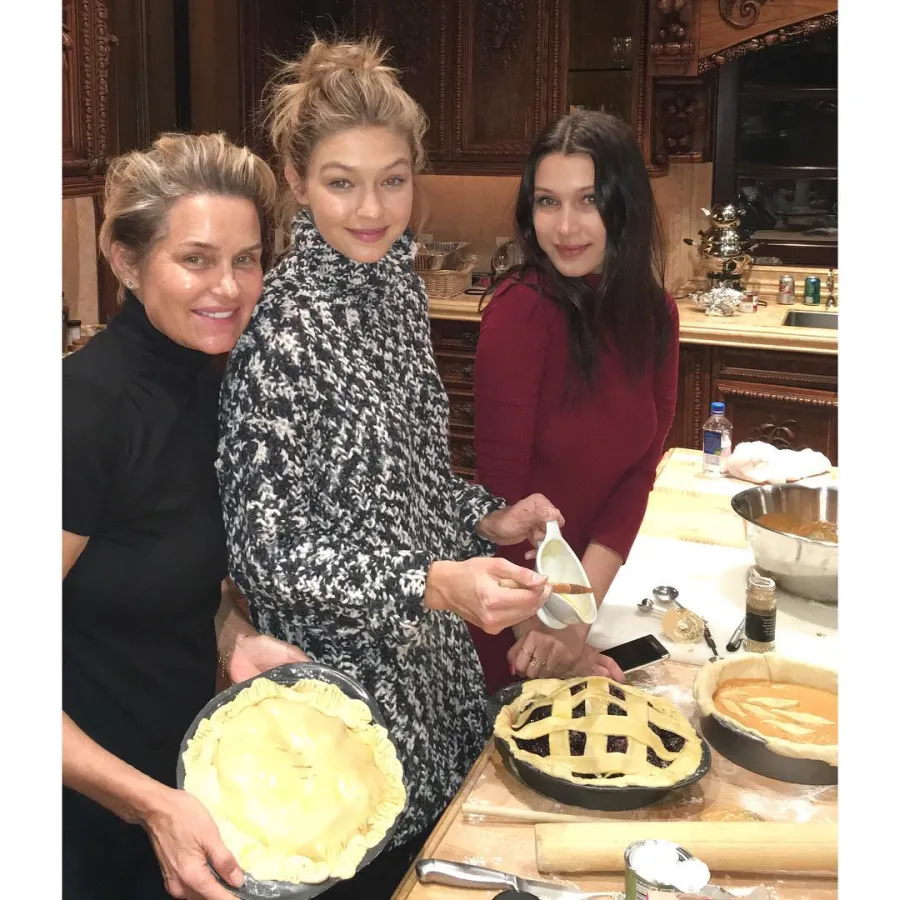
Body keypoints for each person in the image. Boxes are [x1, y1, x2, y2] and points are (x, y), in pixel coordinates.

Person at [216, 37, 561, 899]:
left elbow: (404, 481)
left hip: (439, 692)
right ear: (295, 181)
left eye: (393, 179)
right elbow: (269, 556)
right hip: (344, 720)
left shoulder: (399, 290)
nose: (372, 208)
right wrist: (431, 582)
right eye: (341, 181)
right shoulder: (279, 331)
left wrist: (487, 516)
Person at [62, 132, 310, 900]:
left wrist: (235, 639)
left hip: (176, 790)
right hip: (83, 818)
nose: (229, 287)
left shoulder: (211, 382)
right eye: (196, 258)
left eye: (246, 259)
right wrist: (147, 804)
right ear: (128, 261)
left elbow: (155, 571)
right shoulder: (85, 412)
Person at [472, 110, 679, 694]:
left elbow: (639, 471)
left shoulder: (656, 317)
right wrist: (543, 637)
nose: (565, 227)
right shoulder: (520, 312)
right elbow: (501, 499)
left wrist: (577, 618)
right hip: (509, 617)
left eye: (588, 200)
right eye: (547, 202)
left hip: (580, 603)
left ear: (624, 206)